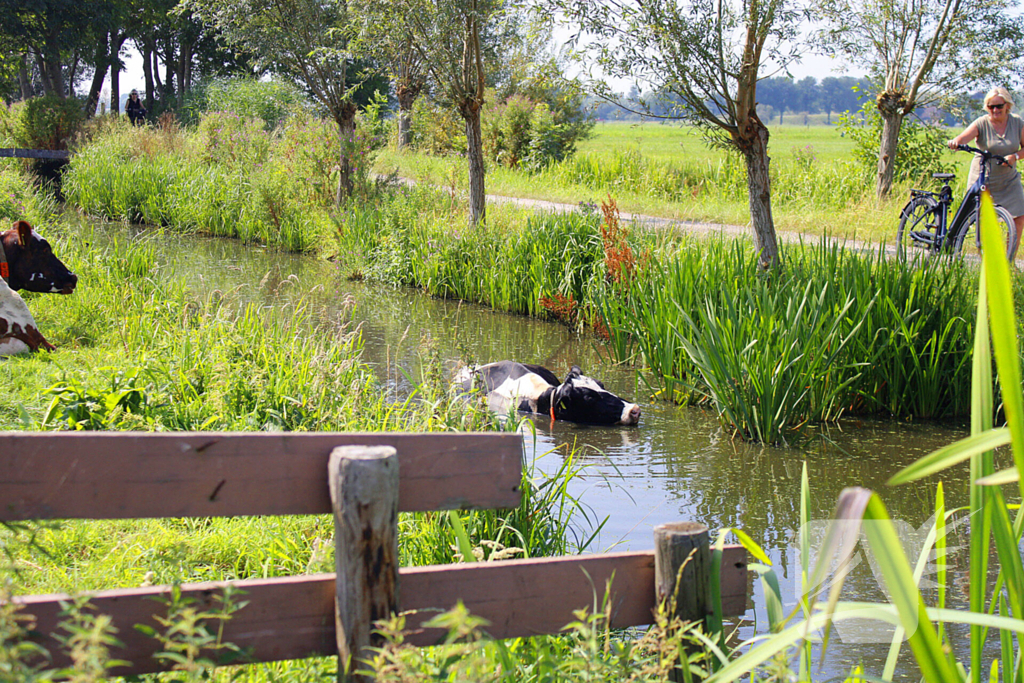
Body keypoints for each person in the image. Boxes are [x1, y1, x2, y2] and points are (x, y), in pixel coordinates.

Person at [947, 86, 1024, 260]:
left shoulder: (1017, 123)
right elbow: (963, 138)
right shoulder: (982, 123)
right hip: (984, 178)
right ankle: (989, 262)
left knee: (1019, 218)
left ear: (1007, 105)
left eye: (998, 106)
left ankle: (1009, 261)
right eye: (991, 107)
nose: (995, 110)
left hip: (1009, 180)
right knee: (987, 222)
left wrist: (1015, 156)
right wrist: (955, 142)